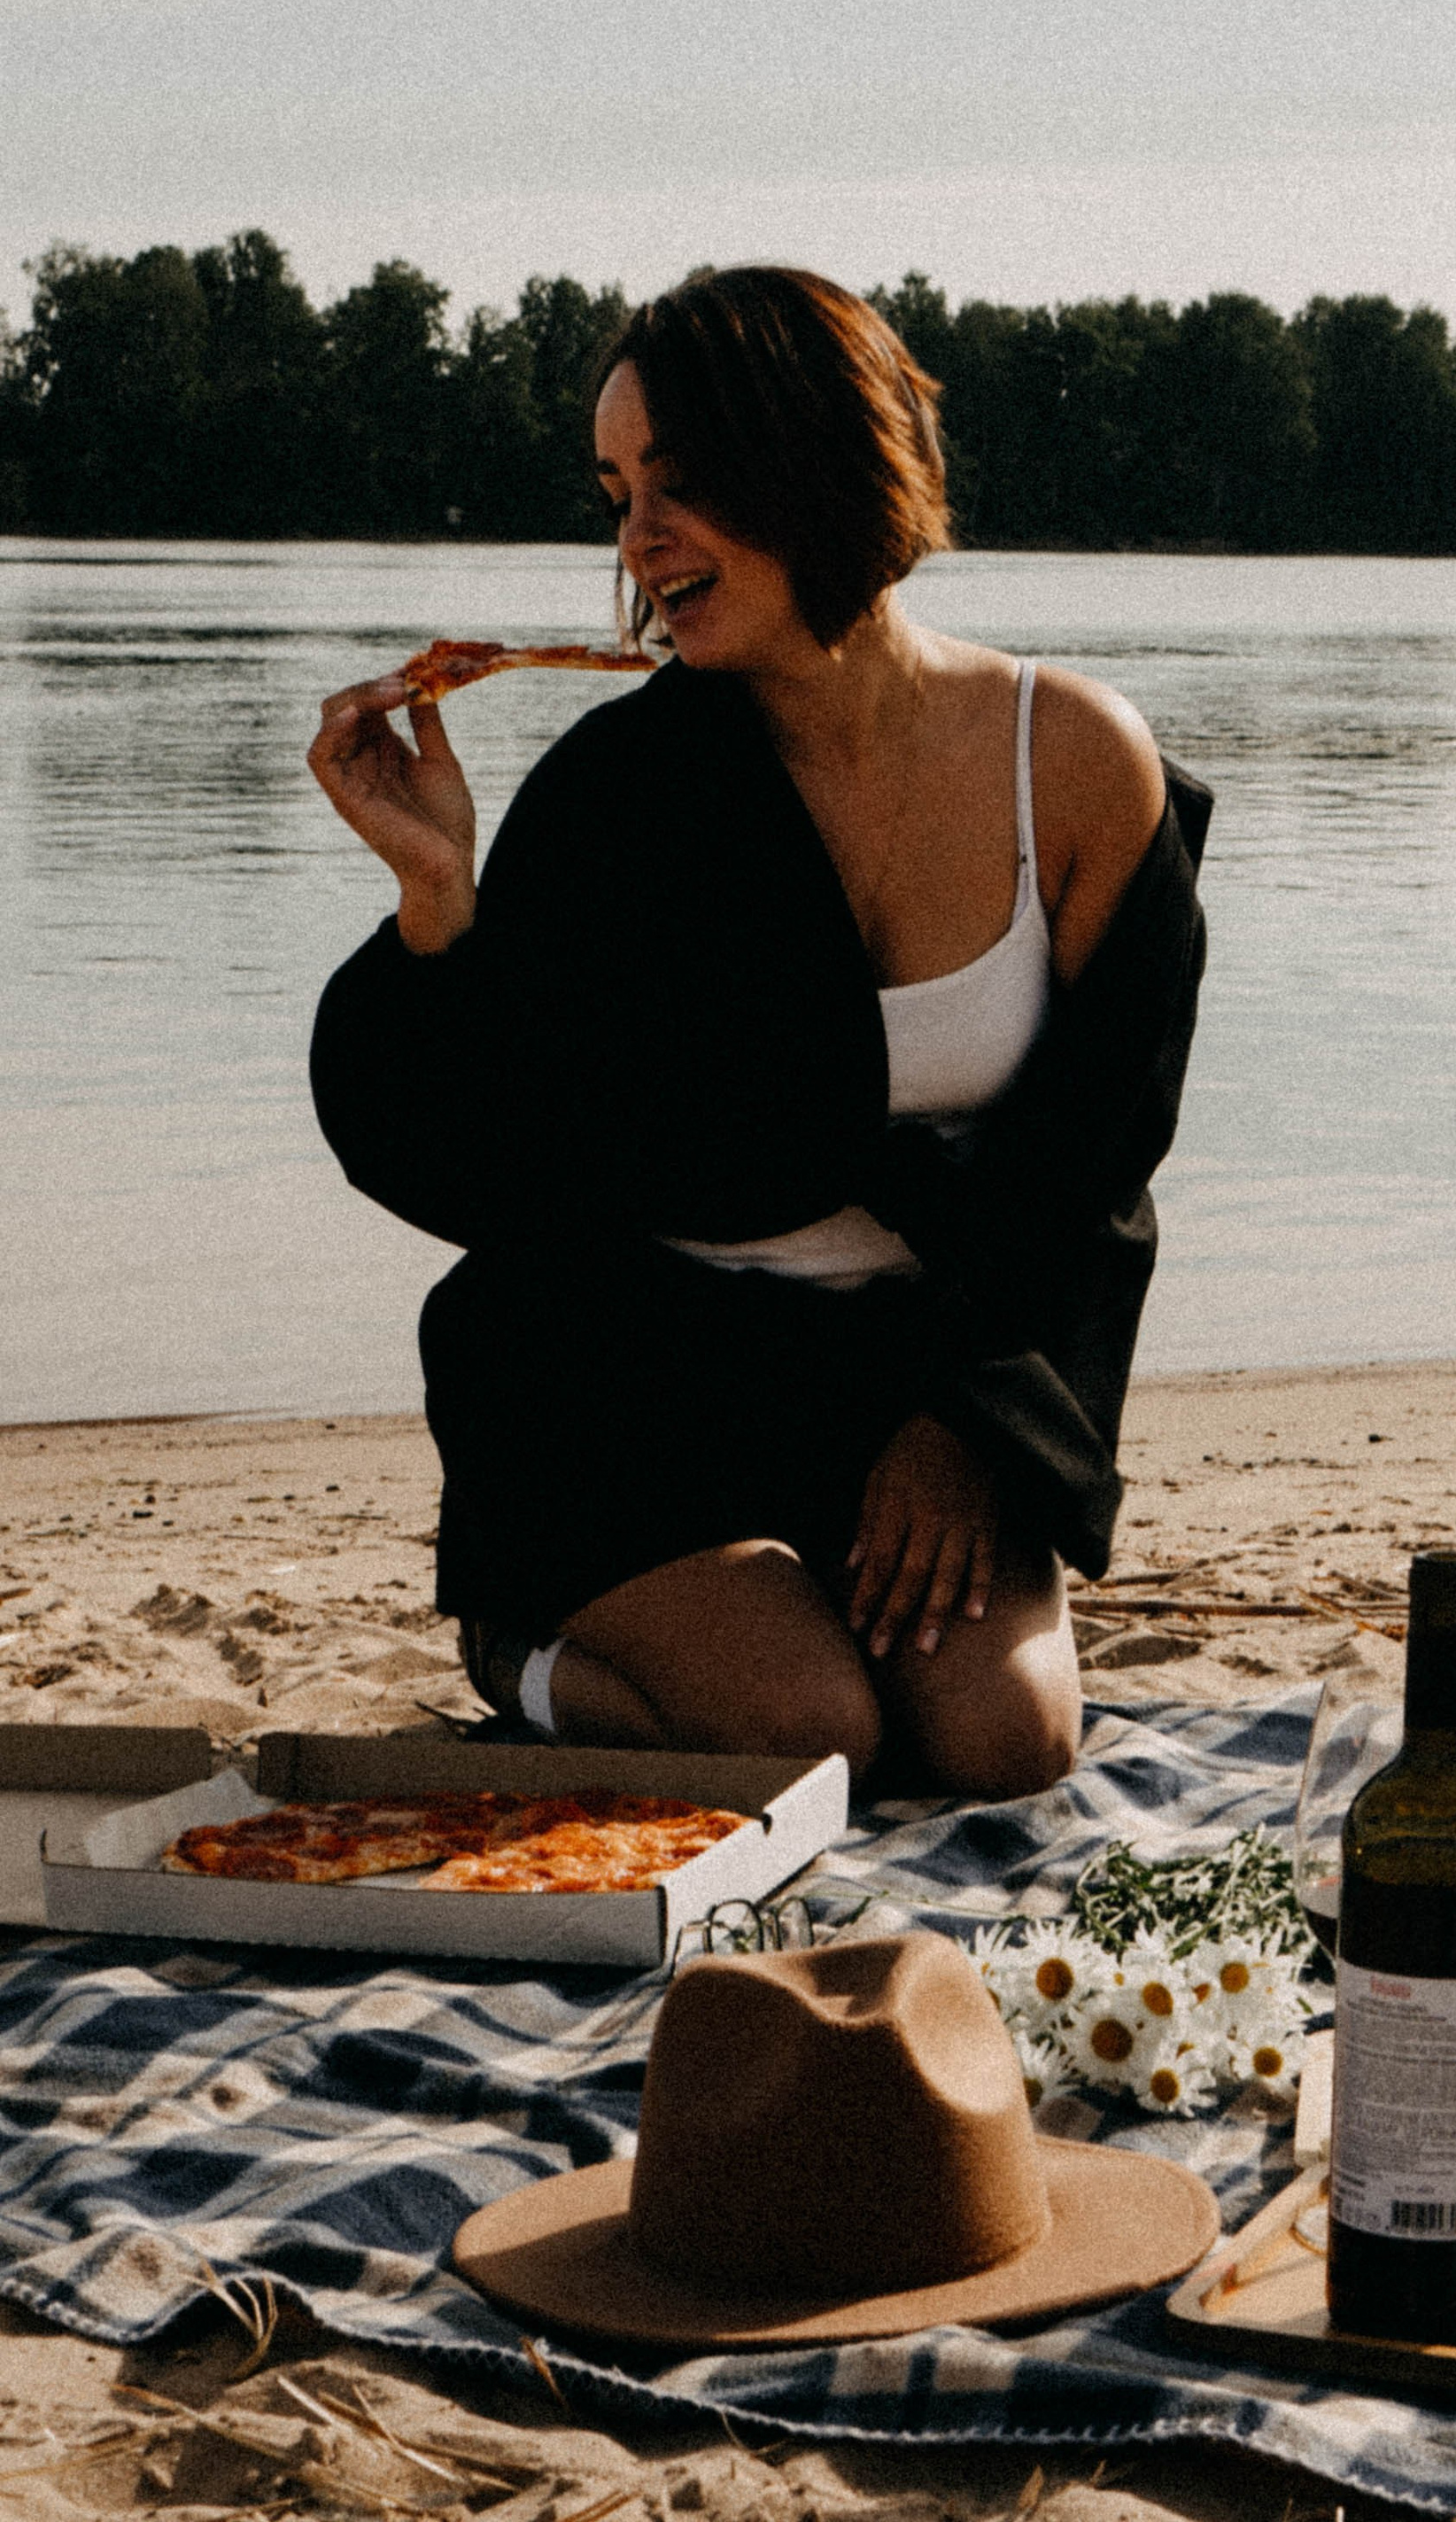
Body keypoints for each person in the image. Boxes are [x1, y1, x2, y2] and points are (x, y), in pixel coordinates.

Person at [306, 267, 1208, 1799]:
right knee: (812, 1735)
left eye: (682, 481)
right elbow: (491, 1165)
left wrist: (963, 1422)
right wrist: (441, 900)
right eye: (615, 492)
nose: (638, 542)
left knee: (1004, 1745)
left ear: (823, 461)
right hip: (628, 1367)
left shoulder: (1073, 762)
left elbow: (1092, 1164)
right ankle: (520, 1650)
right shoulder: (620, 791)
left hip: (928, 1369)